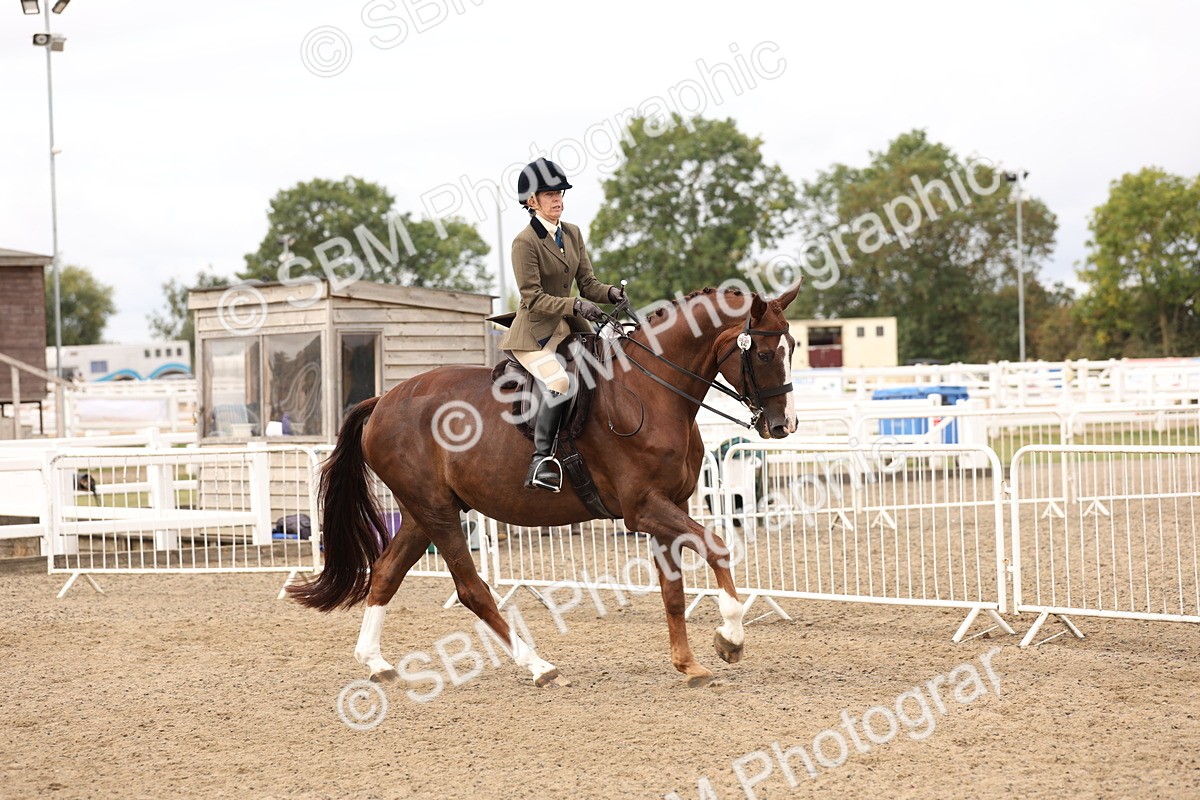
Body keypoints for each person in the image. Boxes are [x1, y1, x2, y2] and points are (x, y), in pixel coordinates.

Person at [500, 158, 625, 492]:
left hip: (569, 327)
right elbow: (533, 297)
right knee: (559, 381)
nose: (558, 199)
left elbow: (588, 284)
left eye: (560, 193)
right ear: (531, 201)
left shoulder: (572, 233)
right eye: (549, 194)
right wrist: (576, 304)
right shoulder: (524, 242)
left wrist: (610, 293)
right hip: (534, 334)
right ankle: (541, 460)